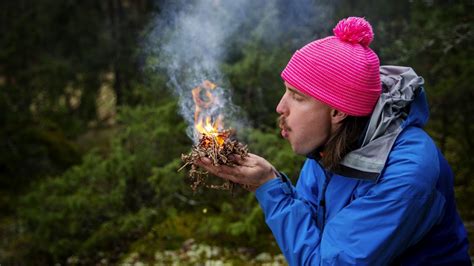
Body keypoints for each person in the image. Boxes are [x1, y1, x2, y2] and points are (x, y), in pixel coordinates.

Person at [198, 17, 471, 265]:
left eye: (298, 96)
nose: (280, 107)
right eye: (286, 91)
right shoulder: (329, 145)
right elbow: (312, 228)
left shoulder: (406, 175)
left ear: (338, 111)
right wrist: (268, 181)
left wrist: (270, 189)